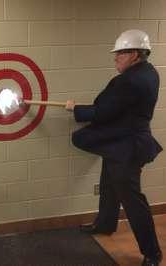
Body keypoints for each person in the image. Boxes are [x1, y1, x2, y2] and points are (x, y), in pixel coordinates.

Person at [66, 29, 163, 266]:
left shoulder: (128, 81)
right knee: (109, 184)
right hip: (123, 141)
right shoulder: (150, 72)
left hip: (126, 147)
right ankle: (105, 224)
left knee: (132, 200)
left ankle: (152, 253)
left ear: (136, 54)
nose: (116, 57)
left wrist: (75, 108)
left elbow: (103, 113)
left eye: (121, 53)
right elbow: (119, 110)